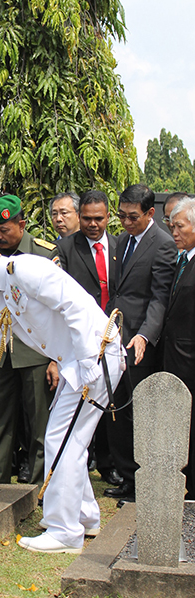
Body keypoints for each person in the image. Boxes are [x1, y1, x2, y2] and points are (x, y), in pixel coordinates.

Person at [0, 229, 124, 553]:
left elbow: (75, 306)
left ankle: (65, 531)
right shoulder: (6, 289)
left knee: (61, 440)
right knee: (67, 440)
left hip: (94, 359)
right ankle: (84, 517)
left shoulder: (28, 270)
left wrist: (90, 361)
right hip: (79, 364)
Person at [0, 194, 60, 485]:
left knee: (39, 422)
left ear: (21, 224)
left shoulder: (44, 254)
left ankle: (38, 482)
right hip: (1, 349)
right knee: (0, 420)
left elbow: (56, 310)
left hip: (36, 351)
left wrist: (55, 359)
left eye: (4, 230)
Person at [104, 184, 177, 506]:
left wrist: (145, 335)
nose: (125, 222)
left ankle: (142, 483)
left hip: (139, 341)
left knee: (137, 412)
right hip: (114, 335)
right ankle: (126, 477)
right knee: (116, 407)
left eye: (132, 217)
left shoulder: (163, 244)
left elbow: (159, 298)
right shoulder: (121, 241)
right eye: (121, 216)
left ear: (150, 213)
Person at [57, 190, 121, 486]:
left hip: (115, 338)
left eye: (98, 218)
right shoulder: (66, 248)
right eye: (86, 218)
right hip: (81, 342)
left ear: (108, 217)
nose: (92, 224)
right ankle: (86, 459)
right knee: (84, 404)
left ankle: (111, 465)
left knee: (113, 403)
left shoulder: (121, 247)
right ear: (79, 216)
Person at [161, 197, 195, 499]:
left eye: (180, 226)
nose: (174, 232)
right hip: (176, 356)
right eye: (171, 226)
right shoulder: (181, 259)